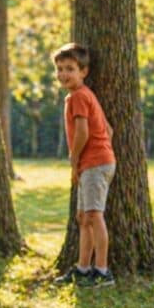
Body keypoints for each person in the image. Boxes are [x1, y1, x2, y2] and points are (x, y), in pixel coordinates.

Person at [53, 43, 116, 287]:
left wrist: (75, 157)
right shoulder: (84, 95)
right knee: (84, 217)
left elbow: (82, 132)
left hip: (94, 164)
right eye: (59, 69)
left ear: (84, 71)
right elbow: (108, 130)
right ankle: (83, 267)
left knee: (94, 215)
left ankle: (102, 271)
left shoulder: (78, 97)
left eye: (70, 68)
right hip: (95, 163)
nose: (63, 74)